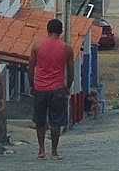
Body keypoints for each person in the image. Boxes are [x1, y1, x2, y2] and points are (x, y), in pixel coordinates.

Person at [29, 19, 74, 161]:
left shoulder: (37, 46)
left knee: (40, 121)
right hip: (58, 88)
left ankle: (41, 150)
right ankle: (54, 151)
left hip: (40, 88)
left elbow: (30, 68)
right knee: (56, 121)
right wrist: (68, 87)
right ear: (61, 31)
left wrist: (32, 85)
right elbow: (71, 71)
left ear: (47, 30)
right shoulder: (66, 48)